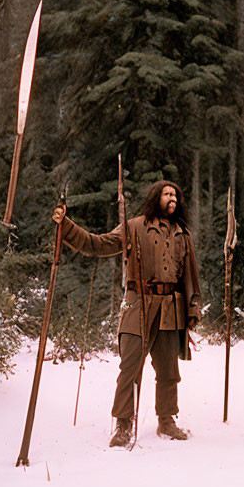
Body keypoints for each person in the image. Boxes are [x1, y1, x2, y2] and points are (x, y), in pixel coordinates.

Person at [52, 180, 201, 447]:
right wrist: (68, 227)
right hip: (138, 305)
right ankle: (123, 425)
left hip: (170, 308)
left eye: (176, 195)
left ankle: (166, 421)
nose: (173, 199)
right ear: (156, 197)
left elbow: (190, 276)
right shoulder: (133, 227)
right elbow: (98, 244)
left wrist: (192, 309)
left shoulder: (182, 233)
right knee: (130, 368)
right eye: (167, 194)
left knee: (169, 370)